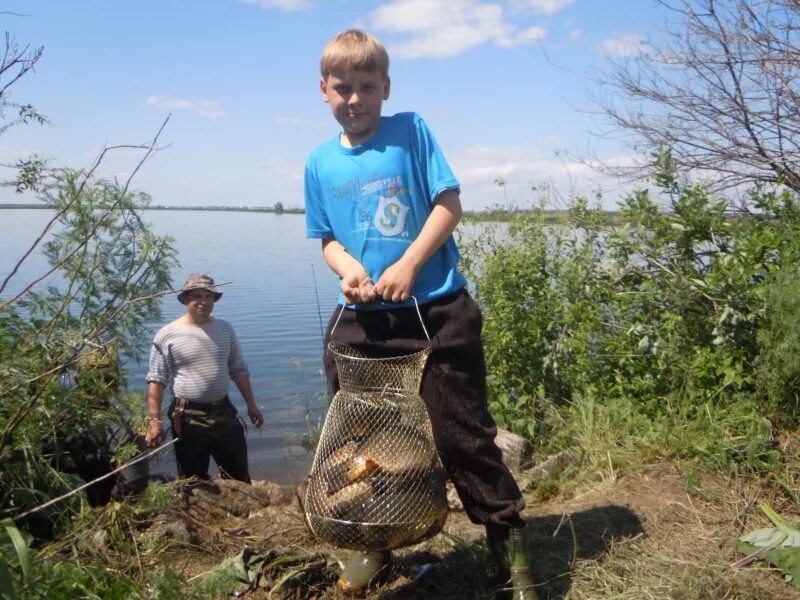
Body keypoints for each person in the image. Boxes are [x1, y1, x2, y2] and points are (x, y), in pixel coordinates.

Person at [304, 29, 537, 599]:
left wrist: (409, 263)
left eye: (366, 86)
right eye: (342, 88)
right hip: (363, 321)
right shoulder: (318, 162)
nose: (354, 99)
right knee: (357, 442)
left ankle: (511, 553)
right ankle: (372, 543)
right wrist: (350, 270)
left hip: (436, 310)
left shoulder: (410, 131)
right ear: (323, 91)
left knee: (462, 435)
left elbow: (448, 204)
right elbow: (327, 239)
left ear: (385, 87)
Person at [145, 273, 264, 484]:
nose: (203, 301)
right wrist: (155, 422)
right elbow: (157, 379)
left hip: (224, 412)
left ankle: (244, 515)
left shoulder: (225, 329)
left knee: (239, 478)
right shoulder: (167, 334)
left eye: (208, 296)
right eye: (197, 296)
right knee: (193, 482)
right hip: (188, 417)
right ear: (185, 299)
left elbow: (238, 369)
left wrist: (251, 405)